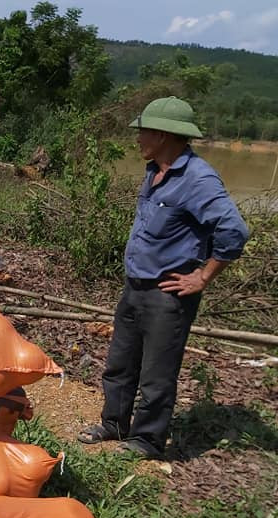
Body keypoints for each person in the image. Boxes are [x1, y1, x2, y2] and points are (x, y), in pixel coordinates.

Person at [78, 96, 249, 458]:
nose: (137, 139)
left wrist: (202, 277)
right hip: (136, 285)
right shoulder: (154, 170)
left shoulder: (198, 179)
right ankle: (115, 424)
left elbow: (233, 230)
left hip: (168, 295)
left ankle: (146, 440)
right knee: (120, 363)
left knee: (157, 373)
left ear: (162, 134)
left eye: (142, 132)